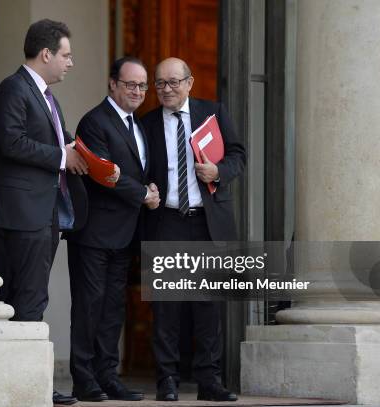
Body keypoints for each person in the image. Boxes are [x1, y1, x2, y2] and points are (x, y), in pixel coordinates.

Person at [0, 19, 90, 406]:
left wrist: (79, 153)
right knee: (23, 298)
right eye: (65, 55)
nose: (70, 62)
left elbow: (56, 142)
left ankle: (28, 384)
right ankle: (24, 387)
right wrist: (61, 157)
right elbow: (10, 141)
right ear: (46, 54)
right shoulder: (14, 89)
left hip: (46, 212)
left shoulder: (47, 96)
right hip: (21, 215)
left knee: (34, 298)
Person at [141, 57, 246, 402]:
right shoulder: (147, 124)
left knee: (207, 306)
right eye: (160, 83)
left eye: (173, 82)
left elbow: (238, 155)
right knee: (167, 306)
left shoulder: (212, 113)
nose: (166, 89)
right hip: (167, 219)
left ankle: (209, 381)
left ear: (190, 82)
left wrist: (218, 172)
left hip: (207, 222)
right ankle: (167, 379)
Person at [64, 56, 159, 402]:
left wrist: (152, 189)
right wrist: (143, 194)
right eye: (131, 84)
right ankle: (84, 379)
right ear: (113, 84)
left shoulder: (139, 125)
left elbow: (138, 169)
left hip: (124, 232)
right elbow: (103, 172)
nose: (137, 91)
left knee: (113, 308)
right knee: (89, 306)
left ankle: (108, 376)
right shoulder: (95, 122)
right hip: (93, 233)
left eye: (142, 85)